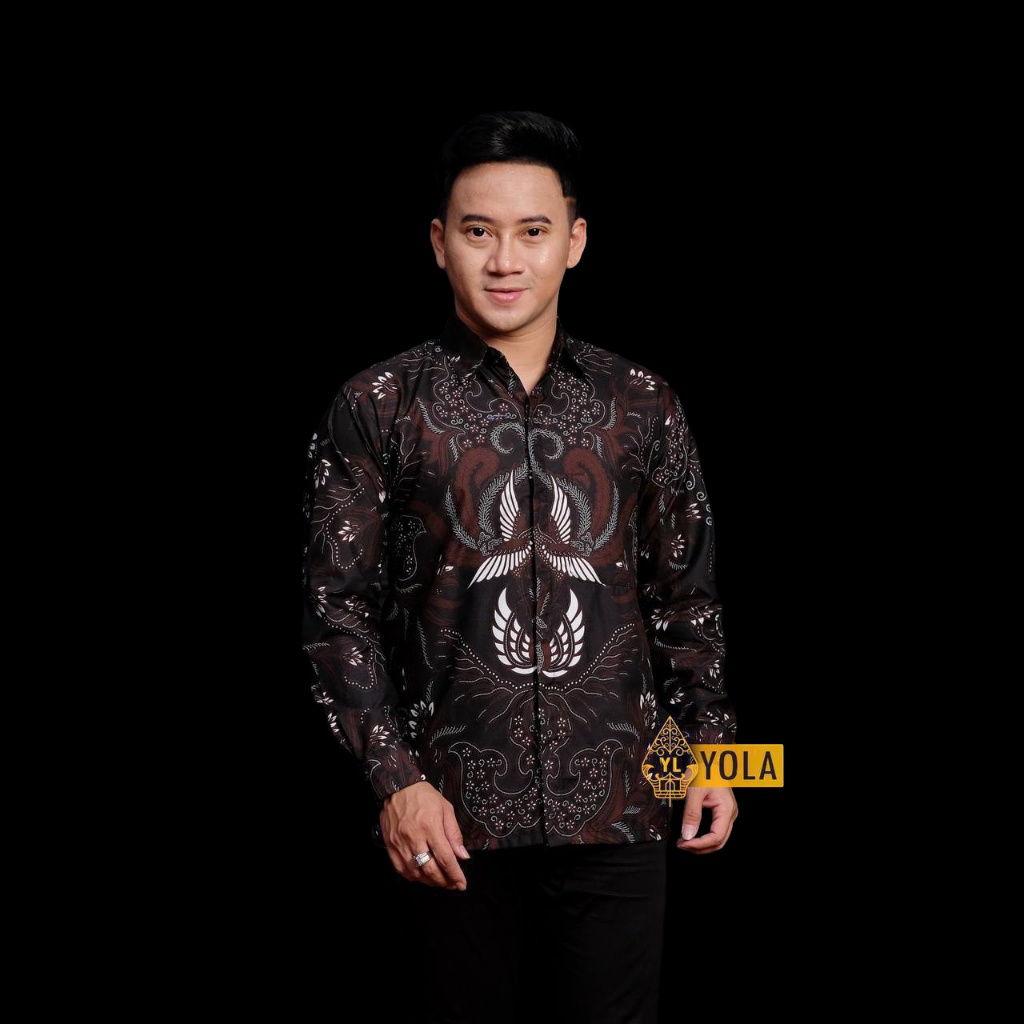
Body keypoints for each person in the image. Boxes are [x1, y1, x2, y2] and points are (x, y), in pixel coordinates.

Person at [300, 110, 738, 1023]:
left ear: (574, 241)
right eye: (478, 231)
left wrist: (718, 756)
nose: (505, 260)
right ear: (439, 242)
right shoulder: (376, 403)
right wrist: (396, 784)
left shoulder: (644, 402)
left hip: (628, 807)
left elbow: (685, 600)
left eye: (533, 231)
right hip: (445, 823)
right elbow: (335, 614)